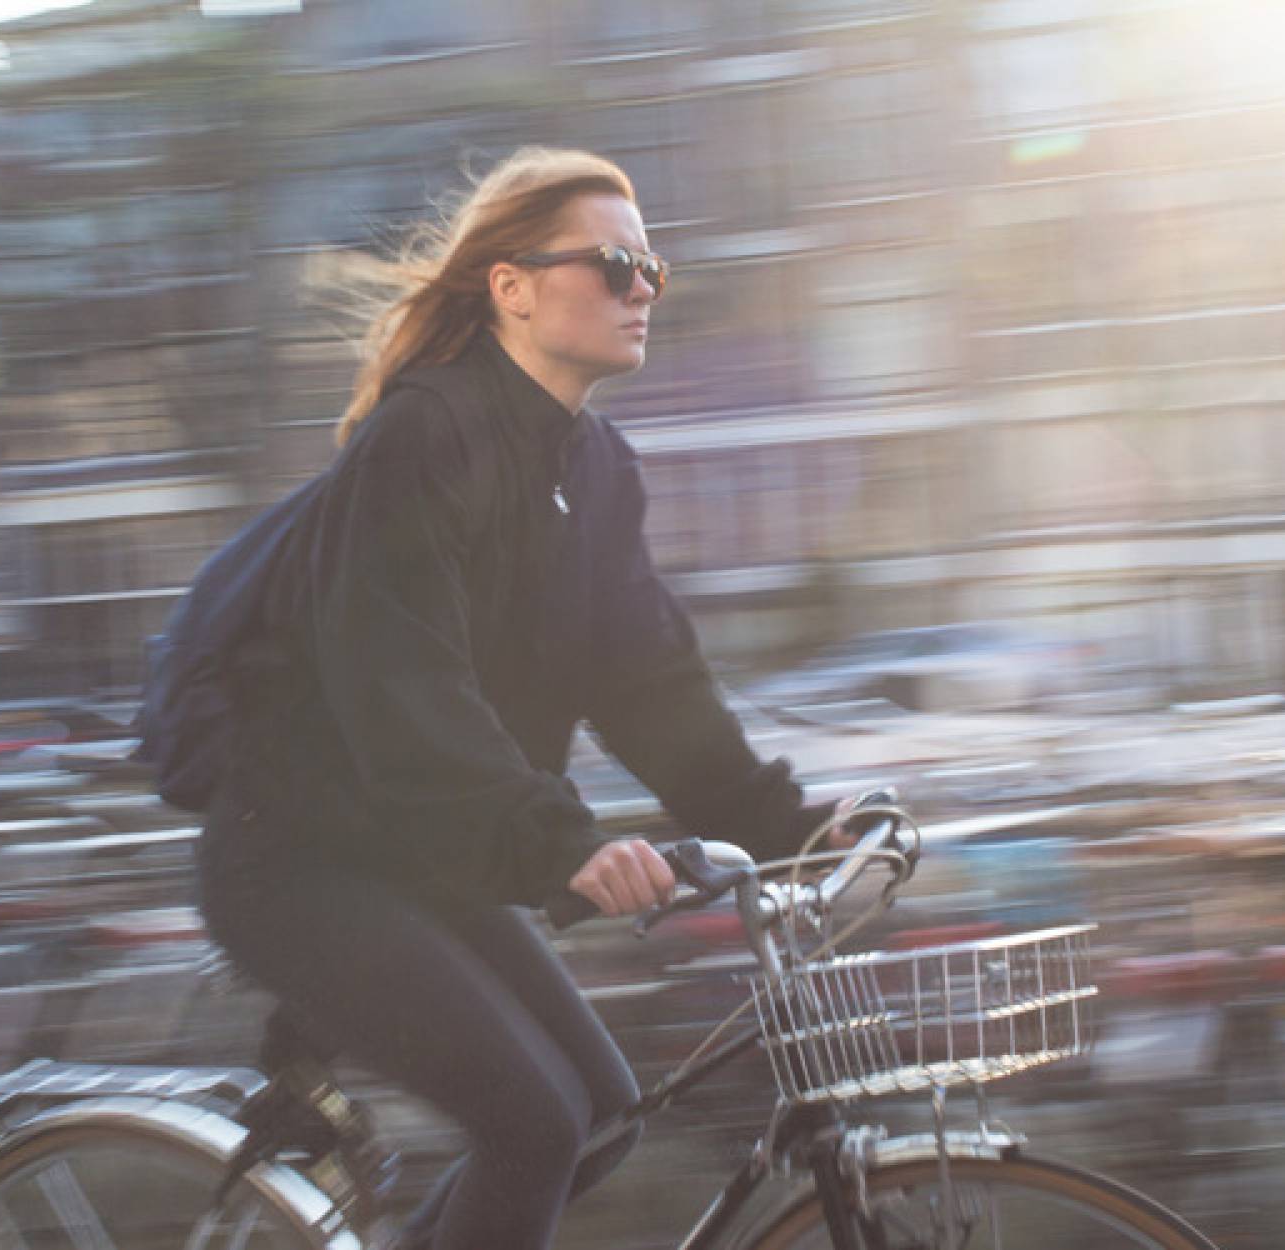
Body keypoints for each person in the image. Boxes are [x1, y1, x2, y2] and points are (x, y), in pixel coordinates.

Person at [195, 147, 852, 1250]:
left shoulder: (595, 468)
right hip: (297, 858)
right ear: (511, 286)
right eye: (611, 263)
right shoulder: (423, 435)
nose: (641, 287)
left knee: (601, 1114)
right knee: (536, 1122)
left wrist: (790, 828)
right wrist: (560, 843)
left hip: (428, 854)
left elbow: (651, 686)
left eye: (652, 267)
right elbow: (403, 686)